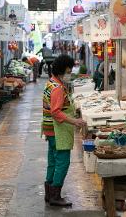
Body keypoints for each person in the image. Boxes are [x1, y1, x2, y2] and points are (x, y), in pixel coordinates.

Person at [42, 54, 87, 206]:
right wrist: (75, 121)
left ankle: (49, 194)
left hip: (50, 130)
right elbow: (56, 112)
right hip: (58, 130)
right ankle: (55, 195)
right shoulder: (58, 89)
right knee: (63, 162)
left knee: (53, 161)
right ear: (61, 70)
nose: (70, 74)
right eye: (68, 71)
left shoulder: (50, 83)